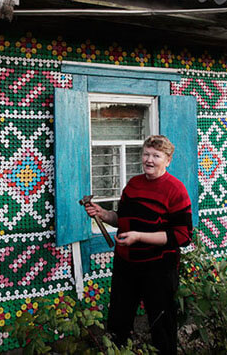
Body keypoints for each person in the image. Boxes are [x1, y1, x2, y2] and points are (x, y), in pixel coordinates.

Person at [84, 135, 193, 355]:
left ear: (168, 160)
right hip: (126, 265)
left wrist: (139, 237)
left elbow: (182, 235)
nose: (149, 160)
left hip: (159, 269)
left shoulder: (175, 190)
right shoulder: (133, 185)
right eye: (146, 154)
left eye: (156, 155)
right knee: (118, 322)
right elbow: (121, 219)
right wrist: (103, 214)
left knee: (162, 326)